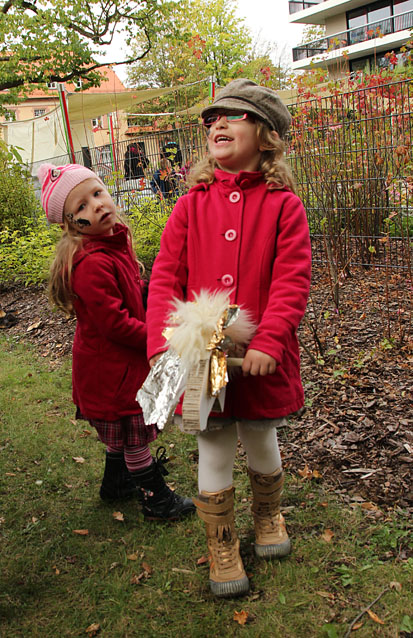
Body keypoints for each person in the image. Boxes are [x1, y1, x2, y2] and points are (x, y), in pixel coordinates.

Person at [146, 79, 311, 597]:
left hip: (261, 357)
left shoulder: (284, 206)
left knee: (262, 436)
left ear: (266, 136)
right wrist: (161, 345)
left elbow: (292, 279)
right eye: (212, 117)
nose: (217, 122)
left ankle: (268, 516)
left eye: (233, 116)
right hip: (199, 355)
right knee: (213, 443)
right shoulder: (190, 206)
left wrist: (270, 341)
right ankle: (221, 544)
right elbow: (165, 278)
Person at [38, 163, 194, 521]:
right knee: (133, 435)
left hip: (116, 366)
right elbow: (115, 324)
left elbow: (133, 290)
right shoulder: (90, 263)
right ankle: (156, 500)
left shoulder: (114, 240)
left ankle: (116, 484)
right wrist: (158, 337)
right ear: (69, 224)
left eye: (96, 193)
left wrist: (159, 294)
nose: (95, 205)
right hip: (111, 370)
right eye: (80, 207)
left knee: (123, 435)